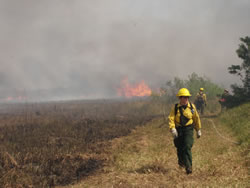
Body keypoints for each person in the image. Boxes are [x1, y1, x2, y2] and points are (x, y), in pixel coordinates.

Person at [168, 88, 201, 174]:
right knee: (179, 147)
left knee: (187, 146)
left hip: (188, 129)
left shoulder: (192, 107)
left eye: (187, 97)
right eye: (184, 97)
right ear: (180, 98)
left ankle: (189, 167)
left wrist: (198, 129)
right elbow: (171, 118)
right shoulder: (175, 108)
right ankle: (181, 162)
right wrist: (173, 128)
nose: (186, 99)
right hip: (178, 129)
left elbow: (196, 118)